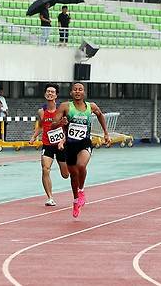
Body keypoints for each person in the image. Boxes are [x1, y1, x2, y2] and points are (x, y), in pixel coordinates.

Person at [52, 83, 110, 218]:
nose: (78, 92)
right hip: (70, 144)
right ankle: (76, 200)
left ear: (84, 92)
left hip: (84, 142)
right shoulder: (65, 106)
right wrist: (61, 122)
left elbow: (101, 115)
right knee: (73, 175)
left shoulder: (91, 106)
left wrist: (106, 132)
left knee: (81, 165)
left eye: (80, 89)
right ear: (71, 92)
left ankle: (82, 191)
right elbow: (53, 124)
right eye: (75, 90)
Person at [30, 84, 69, 206]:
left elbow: (67, 127)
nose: (50, 93)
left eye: (52, 92)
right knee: (45, 169)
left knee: (65, 175)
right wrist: (34, 136)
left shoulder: (61, 110)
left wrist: (64, 140)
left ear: (56, 95)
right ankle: (50, 197)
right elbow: (41, 125)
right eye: (48, 91)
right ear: (45, 94)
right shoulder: (41, 111)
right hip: (47, 144)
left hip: (60, 145)